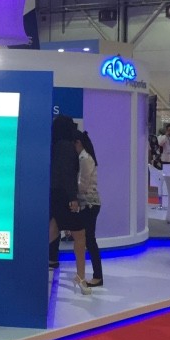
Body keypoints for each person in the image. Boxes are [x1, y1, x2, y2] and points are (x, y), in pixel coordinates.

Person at [48, 115, 91, 294]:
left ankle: (80, 277)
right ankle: (80, 277)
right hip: (65, 196)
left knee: (53, 230)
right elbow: (68, 175)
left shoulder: (54, 146)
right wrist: (73, 198)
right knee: (80, 234)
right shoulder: (67, 147)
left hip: (55, 194)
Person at [75, 130, 102, 288]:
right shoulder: (87, 157)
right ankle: (97, 274)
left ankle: (98, 275)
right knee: (89, 240)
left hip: (89, 203)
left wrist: (71, 190)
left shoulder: (84, 158)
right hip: (91, 203)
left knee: (90, 240)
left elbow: (83, 185)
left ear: (78, 143)